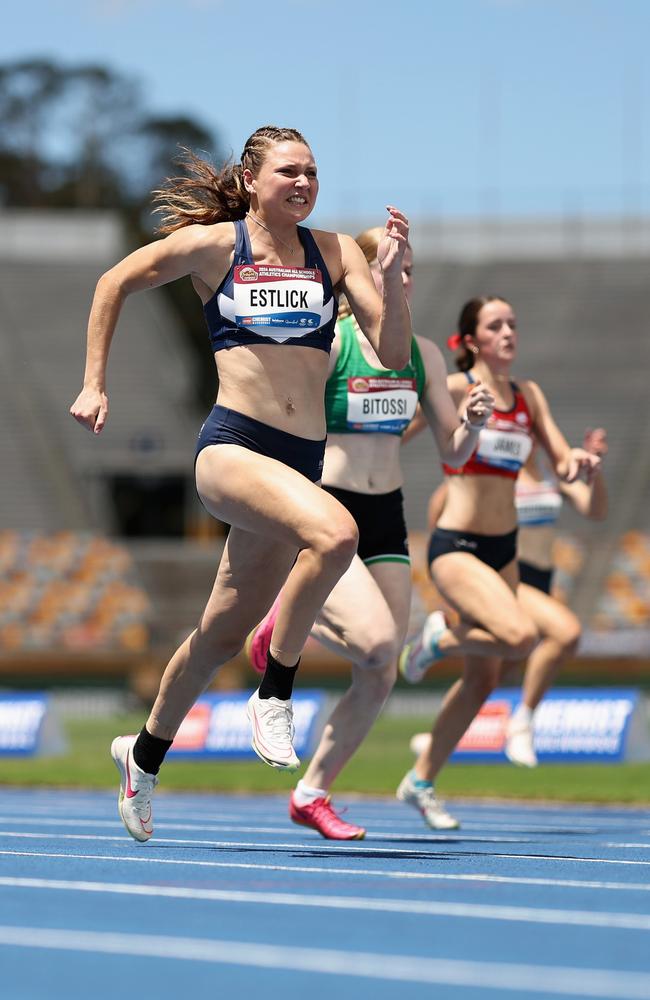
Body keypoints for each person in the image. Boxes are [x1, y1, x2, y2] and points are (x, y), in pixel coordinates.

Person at [70, 125, 412, 843]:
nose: (305, 182)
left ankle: (142, 754)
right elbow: (115, 281)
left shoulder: (336, 252)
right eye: (290, 171)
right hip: (232, 449)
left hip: (300, 462)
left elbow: (391, 350)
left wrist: (391, 284)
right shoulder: (219, 247)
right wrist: (95, 384)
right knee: (338, 533)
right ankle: (276, 692)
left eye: (314, 172)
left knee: (219, 634)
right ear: (252, 180)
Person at [245, 228, 494, 839]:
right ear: (360, 274)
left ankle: (312, 793)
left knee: (381, 667)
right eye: (389, 267)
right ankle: (282, 622)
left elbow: (454, 453)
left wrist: (473, 424)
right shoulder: (330, 341)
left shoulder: (426, 356)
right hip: (329, 506)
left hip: (386, 513)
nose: (400, 278)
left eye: (407, 268)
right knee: (379, 641)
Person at [396, 295, 601, 829]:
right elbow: (396, 431)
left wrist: (578, 462)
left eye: (513, 322)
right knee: (518, 638)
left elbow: (560, 460)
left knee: (483, 680)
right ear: (471, 340)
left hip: (503, 551)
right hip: (458, 544)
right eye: (496, 324)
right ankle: (437, 639)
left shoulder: (528, 395)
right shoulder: (461, 386)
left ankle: (420, 780)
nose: (509, 331)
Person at [416, 426, 607, 769]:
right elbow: (441, 503)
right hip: (507, 579)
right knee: (566, 632)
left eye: (532, 430)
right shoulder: (495, 471)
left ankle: (436, 736)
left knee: (485, 678)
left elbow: (595, 510)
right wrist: (450, 579)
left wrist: (595, 470)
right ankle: (523, 722)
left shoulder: (551, 475)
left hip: (541, 580)